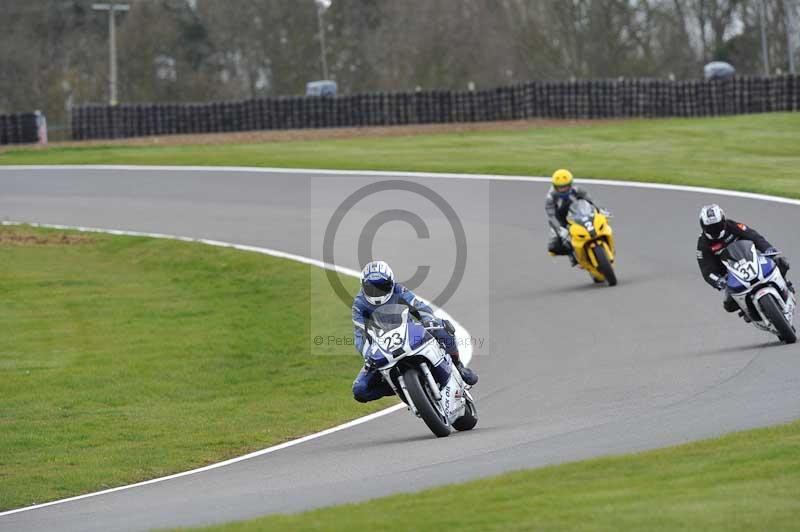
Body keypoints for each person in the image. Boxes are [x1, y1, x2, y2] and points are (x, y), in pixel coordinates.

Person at [351, 260, 478, 403]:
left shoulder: (398, 290)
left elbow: (419, 307)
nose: (377, 292)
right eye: (371, 288)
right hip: (384, 348)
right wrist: (367, 353)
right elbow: (359, 334)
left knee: (441, 327)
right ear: (363, 286)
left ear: (391, 283)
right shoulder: (359, 304)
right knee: (359, 390)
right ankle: (399, 387)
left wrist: (428, 320)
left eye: (382, 286)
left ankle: (458, 365)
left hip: (409, 333)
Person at [696, 204, 791, 316]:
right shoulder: (703, 244)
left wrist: (768, 249)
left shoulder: (732, 226)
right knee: (729, 305)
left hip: (752, 259)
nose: (714, 230)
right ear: (703, 226)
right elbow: (706, 270)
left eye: (717, 225)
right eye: (710, 227)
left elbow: (753, 236)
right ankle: (748, 312)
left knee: (781, 262)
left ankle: (786, 285)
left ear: (723, 220)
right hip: (730, 274)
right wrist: (718, 281)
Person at [546, 169, 603, 265]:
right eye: (560, 187)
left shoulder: (577, 189)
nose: (563, 189)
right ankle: (572, 254)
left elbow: (590, 199)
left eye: (565, 186)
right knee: (555, 245)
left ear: (570, 184)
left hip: (578, 211)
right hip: (561, 216)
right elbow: (551, 215)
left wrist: (600, 209)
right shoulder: (550, 197)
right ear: (555, 187)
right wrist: (559, 229)